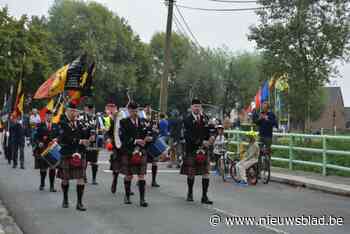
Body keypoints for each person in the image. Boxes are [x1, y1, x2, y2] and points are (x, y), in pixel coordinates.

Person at [57, 102, 90, 211]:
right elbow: (64, 138)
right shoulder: (61, 122)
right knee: (65, 179)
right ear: (68, 111)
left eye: (76, 111)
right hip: (67, 153)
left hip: (79, 153)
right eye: (73, 111)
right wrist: (80, 141)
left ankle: (79, 203)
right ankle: (65, 199)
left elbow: (84, 133)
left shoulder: (79, 122)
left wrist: (89, 136)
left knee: (81, 178)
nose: (75, 113)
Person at [180, 99, 214, 204]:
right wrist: (201, 142)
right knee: (191, 173)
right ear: (191, 108)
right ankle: (190, 193)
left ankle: (204, 196)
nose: (197, 108)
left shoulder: (205, 118)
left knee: (206, 173)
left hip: (204, 150)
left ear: (201, 107)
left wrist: (211, 138)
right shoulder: (187, 120)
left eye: (198, 106)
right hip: (192, 149)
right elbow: (187, 136)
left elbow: (210, 130)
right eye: (195, 106)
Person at [119, 102, 152, 207]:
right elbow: (123, 138)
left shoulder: (143, 121)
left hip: (141, 151)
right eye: (132, 110)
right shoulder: (123, 122)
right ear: (128, 111)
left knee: (141, 175)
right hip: (129, 151)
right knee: (129, 176)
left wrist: (149, 138)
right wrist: (135, 141)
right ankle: (127, 196)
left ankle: (142, 199)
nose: (134, 112)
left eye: (136, 110)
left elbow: (150, 132)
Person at [33, 110, 58, 191]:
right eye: (47, 115)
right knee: (43, 168)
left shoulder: (55, 126)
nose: (49, 117)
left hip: (52, 149)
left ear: (52, 116)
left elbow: (59, 136)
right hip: (43, 149)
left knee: (52, 167)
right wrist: (39, 142)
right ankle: (42, 183)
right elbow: (35, 137)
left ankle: (51, 186)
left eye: (50, 115)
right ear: (45, 116)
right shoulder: (40, 125)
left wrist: (57, 139)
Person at [79, 103, 99, 185]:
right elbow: (80, 129)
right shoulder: (81, 117)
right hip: (84, 141)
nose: (91, 111)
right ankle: (84, 176)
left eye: (92, 109)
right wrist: (86, 138)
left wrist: (95, 135)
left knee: (94, 161)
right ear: (85, 109)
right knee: (85, 161)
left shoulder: (95, 117)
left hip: (93, 142)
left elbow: (96, 128)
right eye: (89, 109)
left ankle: (94, 179)